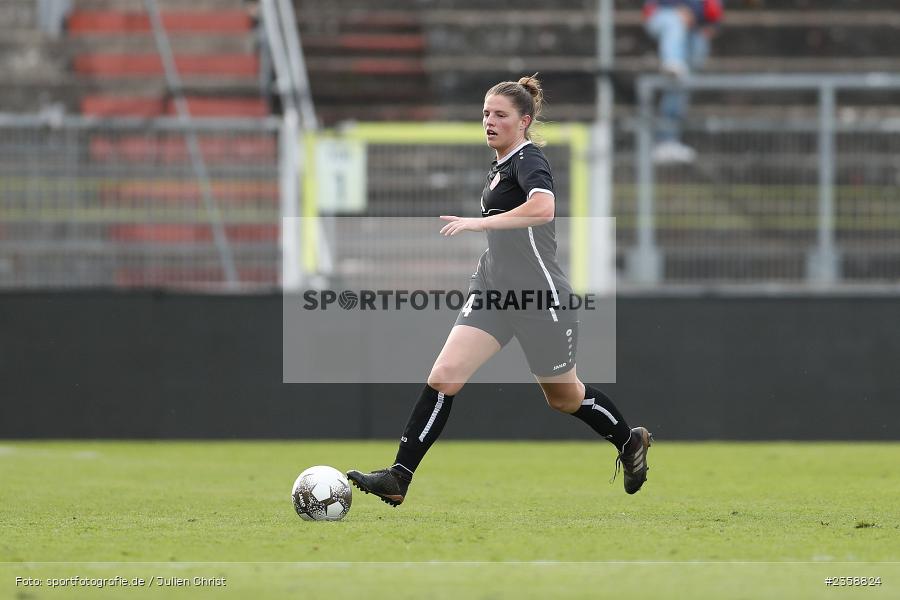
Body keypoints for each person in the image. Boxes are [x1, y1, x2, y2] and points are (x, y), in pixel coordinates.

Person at [347, 75, 651, 507]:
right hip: (493, 289)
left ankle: (628, 440)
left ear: (524, 121)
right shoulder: (500, 164)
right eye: (486, 113)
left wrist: (482, 222)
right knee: (443, 377)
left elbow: (544, 208)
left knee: (564, 397)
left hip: (539, 299)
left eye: (500, 115)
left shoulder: (529, 159)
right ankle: (399, 476)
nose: (489, 121)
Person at [643, 0, 724, 163]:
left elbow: (713, 10)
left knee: (682, 85)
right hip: (663, 17)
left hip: (694, 30)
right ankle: (672, 61)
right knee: (674, 22)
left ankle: (668, 140)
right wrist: (680, 9)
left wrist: (708, 21)